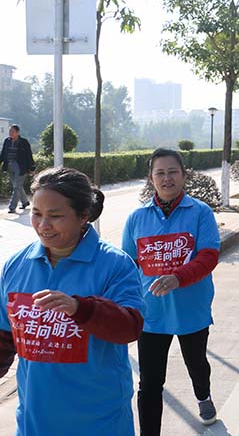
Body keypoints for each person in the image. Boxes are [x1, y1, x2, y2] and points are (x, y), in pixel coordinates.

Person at [0, 167, 143, 435]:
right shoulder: (17, 266)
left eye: (55, 216)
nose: (43, 225)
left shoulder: (114, 264)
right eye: (36, 213)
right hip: (36, 419)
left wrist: (82, 309)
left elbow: (130, 327)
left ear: (83, 216)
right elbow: (6, 336)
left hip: (98, 420)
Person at [122, 149, 221, 434]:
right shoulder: (136, 218)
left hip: (192, 310)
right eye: (160, 173)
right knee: (150, 383)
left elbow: (208, 256)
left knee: (197, 365)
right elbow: (127, 266)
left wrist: (178, 278)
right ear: (150, 178)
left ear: (184, 175)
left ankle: (203, 396)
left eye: (172, 172)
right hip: (151, 314)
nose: (167, 179)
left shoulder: (200, 212)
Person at [0, 125, 35, 213]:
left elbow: (29, 155)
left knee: (16, 187)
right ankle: (25, 202)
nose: (10, 133)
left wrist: (31, 168)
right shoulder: (7, 141)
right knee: (17, 186)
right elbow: (3, 153)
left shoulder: (24, 142)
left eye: (12, 131)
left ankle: (12, 207)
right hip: (9, 165)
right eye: (9, 131)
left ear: (18, 132)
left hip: (20, 167)